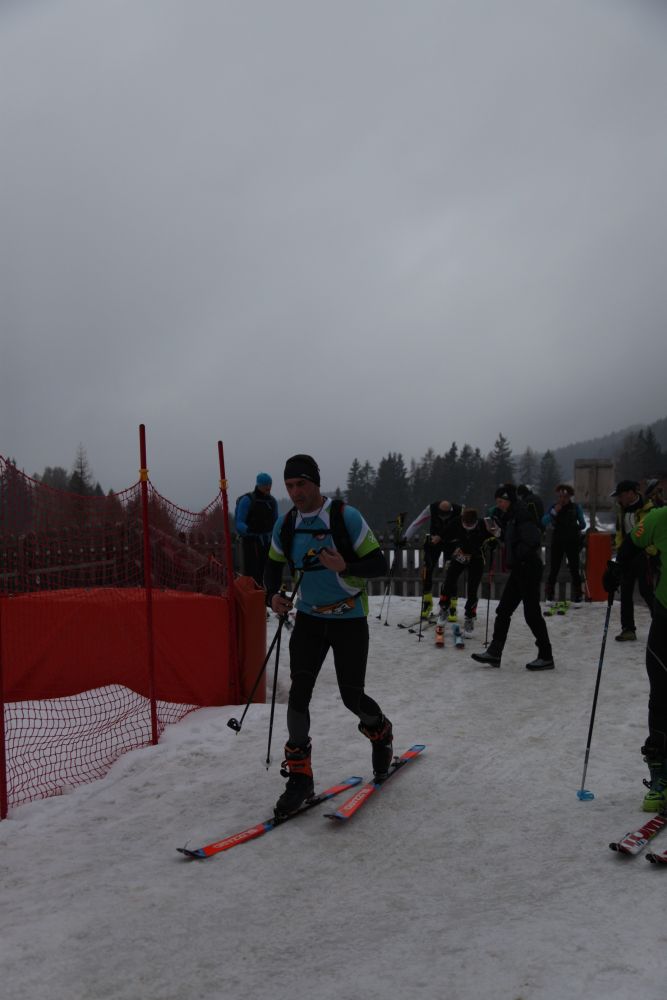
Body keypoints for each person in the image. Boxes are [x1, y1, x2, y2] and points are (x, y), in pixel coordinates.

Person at [264, 454, 391, 817]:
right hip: (309, 619)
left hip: (349, 618)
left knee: (352, 697)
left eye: (301, 484)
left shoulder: (345, 517)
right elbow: (271, 565)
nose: (296, 492)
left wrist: (346, 565)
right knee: (298, 694)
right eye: (290, 485)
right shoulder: (286, 524)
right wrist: (272, 595)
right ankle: (300, 778)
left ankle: (380, 732)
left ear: (315, 483)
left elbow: (380, 564)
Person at [604, 505, 667, 810]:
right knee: (661, 696)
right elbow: (630, 543)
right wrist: (616, 567)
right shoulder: (660, 518)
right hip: (666, 617)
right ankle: (660, 778)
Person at [471, 483, 555, 671]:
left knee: (532, 614)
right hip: (520, 568)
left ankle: (546, 656)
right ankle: (494, 652)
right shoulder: (510, 517)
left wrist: (518, 555)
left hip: (528, 567)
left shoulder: (521, 514)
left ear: (509, 500)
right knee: (503, 610)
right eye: (497, 501)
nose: (499, 504)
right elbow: (513, 539)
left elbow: (532, 540)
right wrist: (497, 538)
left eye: (501, 501)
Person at [432, 507, 500, 632]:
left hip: (477, 557)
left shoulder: (485, 523)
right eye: (465, 524)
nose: (467, 527)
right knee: (449, 581)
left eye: (470, 525)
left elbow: (498, 535)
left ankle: (470, 617)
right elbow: (445, 531)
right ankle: (444, 609)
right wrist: (437, 538)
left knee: (472, 589)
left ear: (476, 521)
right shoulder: (457, 521)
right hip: (461, 554)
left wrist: (493, 540)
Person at [610, 479, 655, 641]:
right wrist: (620, 549)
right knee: (626, 591)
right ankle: (628, 629)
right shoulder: (622, 510)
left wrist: (650, 552)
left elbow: (655, 533)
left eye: (621, 495)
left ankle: (661, 623)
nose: (619, 499)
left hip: (644, 555)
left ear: (631, 493)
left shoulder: (648, 509)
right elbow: (619, 532)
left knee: (646, 591)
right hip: (627, 556)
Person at [402, 500, 460, 619]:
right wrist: (405, 537)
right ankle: (427, 602)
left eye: (446, 514)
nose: (443, 517)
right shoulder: (431, 508)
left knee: (452, 573)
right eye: (441, 514)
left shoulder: (459, 510)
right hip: (434, 541)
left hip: (451, 543)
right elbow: (417, 522)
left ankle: (452, 605)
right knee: (427, 570)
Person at [542, 483, 587, 606]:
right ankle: (549, 595)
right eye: (560, 496)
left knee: (574, 568)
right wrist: (554, 512)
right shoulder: (554, 507)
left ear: (569, 497)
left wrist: (575, 527)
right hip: (558, 540)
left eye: (565, 497)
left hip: (572, 541)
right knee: (554, 568)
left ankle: (578, 595)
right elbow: (544, 521)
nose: (562, 499)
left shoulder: (575, 508)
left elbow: (583, 524)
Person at [235, 473, 278, 587]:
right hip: (251, 544)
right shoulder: (247, 500)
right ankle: (254, 594)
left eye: (269, 485)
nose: (268, 487)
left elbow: (276, 522)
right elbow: (239, 522)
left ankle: (268, 594)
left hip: (268, 543)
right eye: (265, 485)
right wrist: (249, 530)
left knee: (269, 573)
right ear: (259, 485)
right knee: (253, 574)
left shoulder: (272, 501)